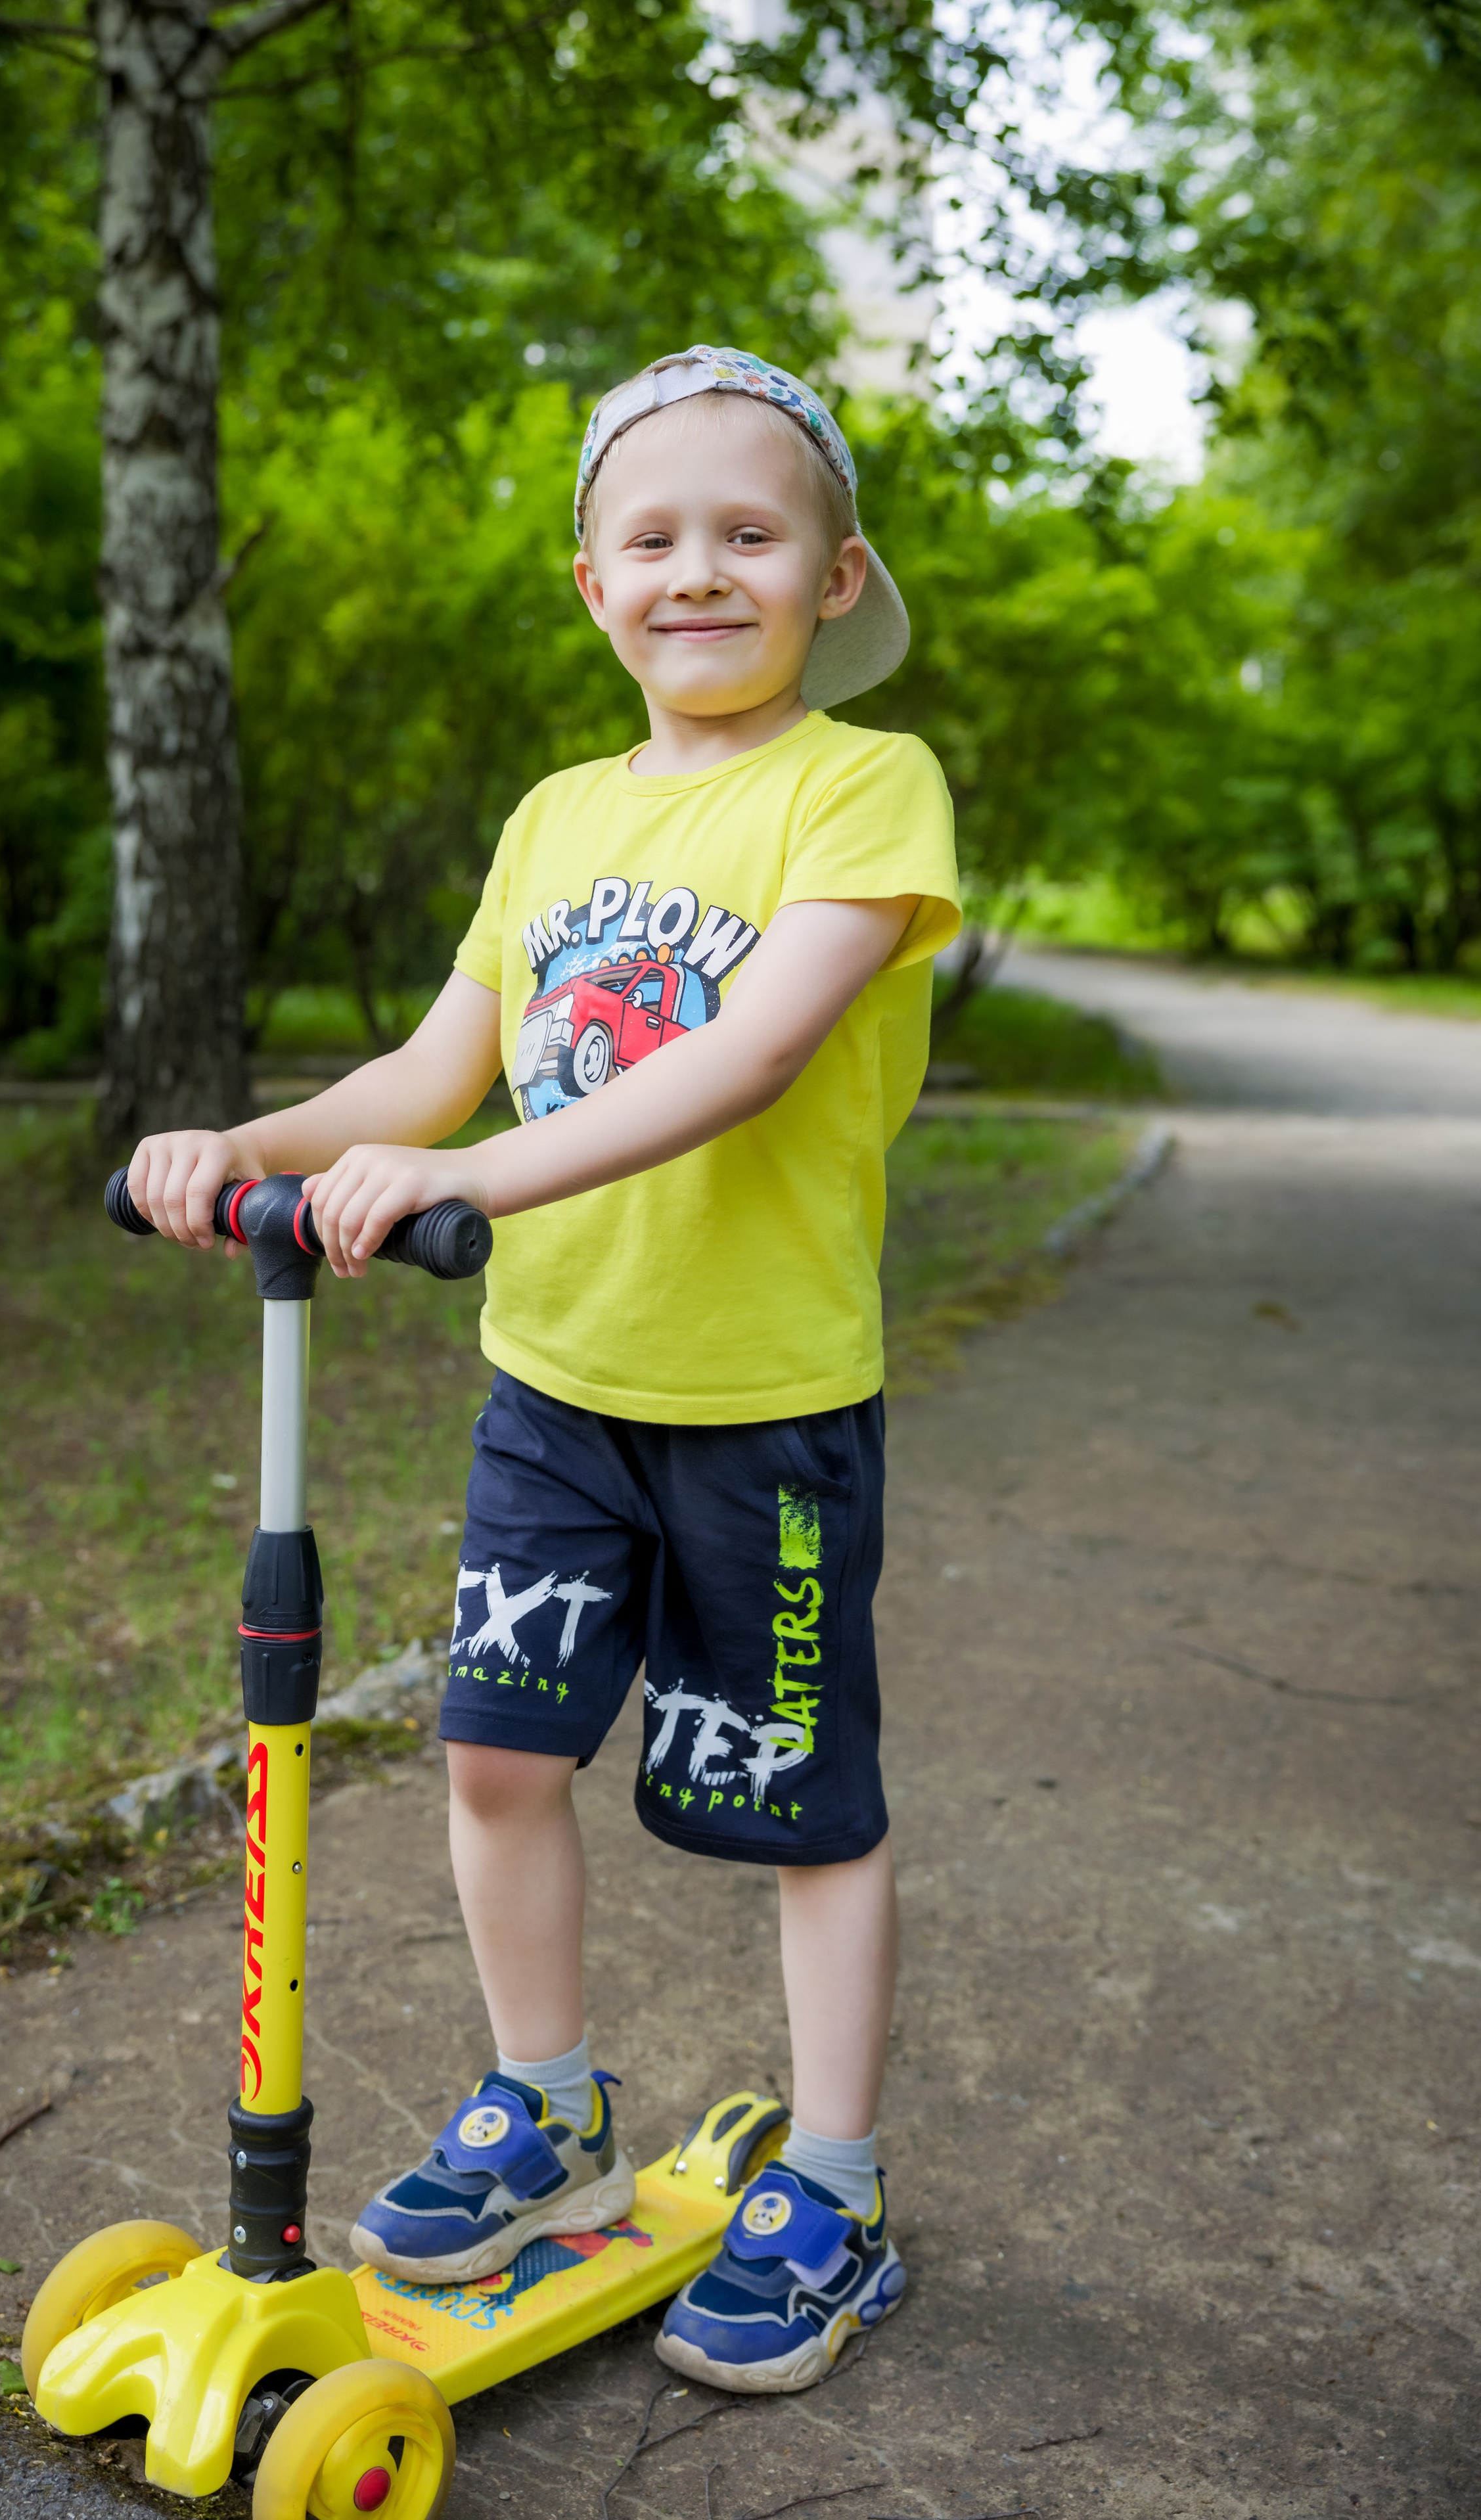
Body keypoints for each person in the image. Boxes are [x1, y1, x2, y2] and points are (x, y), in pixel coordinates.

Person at [126, 346, 960, 2393]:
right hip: (556, 1390)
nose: (700, 572)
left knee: (798, 1806)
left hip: (762, 1405)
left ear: (834, 577)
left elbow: (745, 1052)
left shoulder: (861, 785)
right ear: (593, 585)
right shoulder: (556, 815)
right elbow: (434, 1064)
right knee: (497, 1758)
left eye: (749, 535)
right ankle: (550, 2102)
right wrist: (257, 1143)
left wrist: (464, 1168)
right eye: (653, 538)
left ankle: (835, 2189)